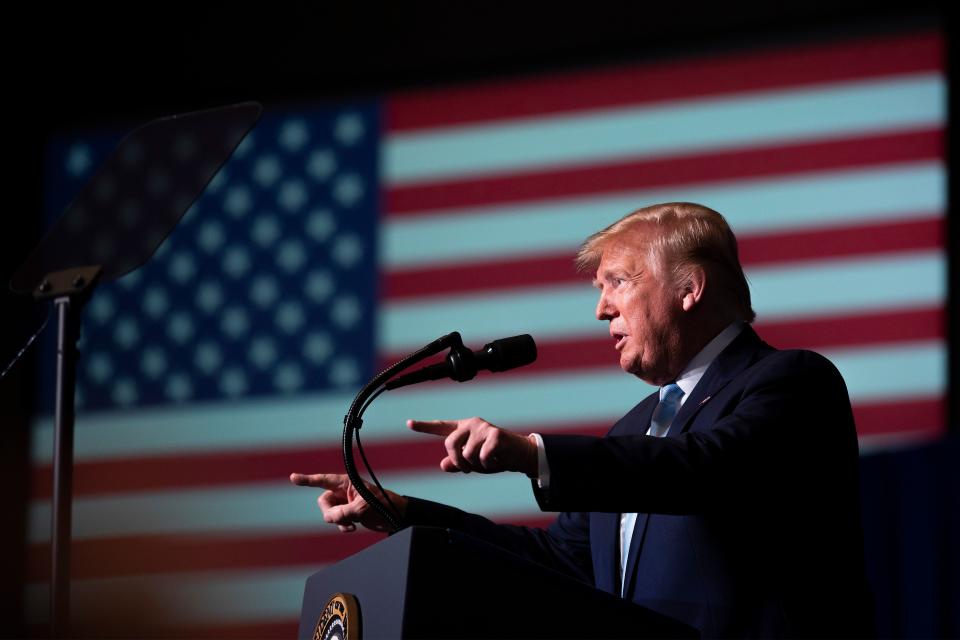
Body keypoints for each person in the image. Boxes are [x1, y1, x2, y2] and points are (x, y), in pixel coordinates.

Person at [291, 202, 874, 637]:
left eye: (618, 282)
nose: (601, 309)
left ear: (690, 288)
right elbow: (558, 563)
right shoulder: (633, 429)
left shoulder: (792, 381)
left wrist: (534, 454)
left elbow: (707, 469)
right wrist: (404, 513)